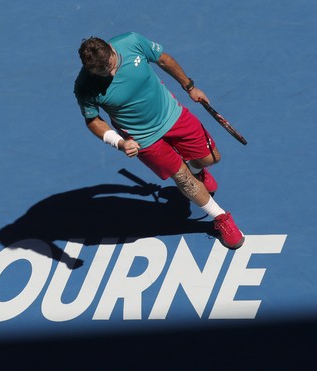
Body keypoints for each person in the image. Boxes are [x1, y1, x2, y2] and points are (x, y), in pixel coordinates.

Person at [73, 32, 244, 249]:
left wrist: (190, 87)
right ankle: (220, 218)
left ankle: (197, 168)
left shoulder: (132, 42)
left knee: (211, 158)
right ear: (91, 70)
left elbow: (163, 59)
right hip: (143, 139)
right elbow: (93, 120)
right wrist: (119, 142)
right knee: (182, 178)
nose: (112, 72)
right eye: (103, 72)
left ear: (111, 48)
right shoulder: (84, 85)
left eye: (111, 64)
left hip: (172, 115)